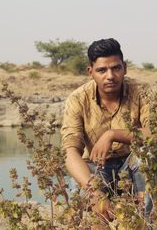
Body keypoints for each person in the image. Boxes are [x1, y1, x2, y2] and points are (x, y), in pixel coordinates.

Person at [61, 38, 152, 221]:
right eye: (102, 70)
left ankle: (146, 220)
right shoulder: (78, 99)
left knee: (146, 153)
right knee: (83, 198)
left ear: (124, 68)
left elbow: (155, 135)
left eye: (116, 68)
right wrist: (95, 193)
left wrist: (112, 134)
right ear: (91, 72)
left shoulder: (142, 93)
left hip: (131, 165)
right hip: (97, 167)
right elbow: (70, 153)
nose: (110, 76)